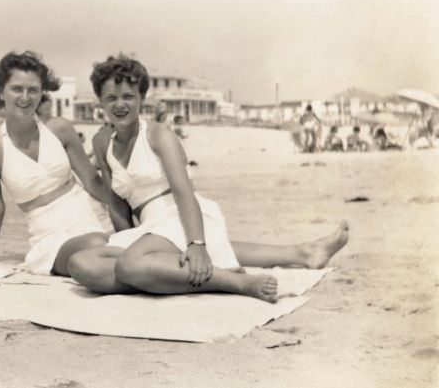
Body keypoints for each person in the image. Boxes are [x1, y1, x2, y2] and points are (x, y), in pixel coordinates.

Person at [67, 55, 349, 302]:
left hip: (182, 217)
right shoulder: (104, 142)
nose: (120, 105)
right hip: (151, 227)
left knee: (130, 266)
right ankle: (300, 253)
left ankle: (234, 282)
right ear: (100, 102)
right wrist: (125, 238)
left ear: (142, 99)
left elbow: (184, 192)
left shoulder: (157, 135)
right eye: (111, 98)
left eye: (128, 96)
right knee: (82, 263)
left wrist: (196, 246)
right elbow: (117, 205)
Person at [0, 51, 129, 276]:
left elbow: (93, 182)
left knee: (105, 249)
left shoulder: (59, 128)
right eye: (17, 88)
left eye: (33, 89)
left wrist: (130, 217)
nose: (25, 97)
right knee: (97, 248)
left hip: (91, 215)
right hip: (47, 234)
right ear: (1, 92)